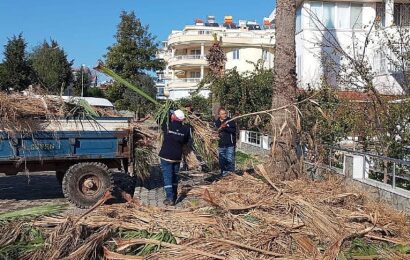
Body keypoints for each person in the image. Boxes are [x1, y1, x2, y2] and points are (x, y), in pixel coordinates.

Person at [159, 109, 192, 206]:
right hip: (177, 156)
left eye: (172, 115)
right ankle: (174, 195)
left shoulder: (168, 125)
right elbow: (187, 142)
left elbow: (159, 120)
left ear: (174, 117)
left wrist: (166, 110)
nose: (171, 116)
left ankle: (170, 198)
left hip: (166, 156)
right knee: (175, 177)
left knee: (167, 177)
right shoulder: (186, 129)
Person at [214, 107, 236, 176]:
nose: (225, 115)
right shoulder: (216, 123)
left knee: (229, 160)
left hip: (230, 144)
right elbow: (214, 132)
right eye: (222, 114)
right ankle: (223, 174)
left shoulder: (230, 121)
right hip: (221, 145)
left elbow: (233, 130)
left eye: (225, 113)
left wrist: (226, 127)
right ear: (219, 115)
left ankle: (231, 174)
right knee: (222, 161)